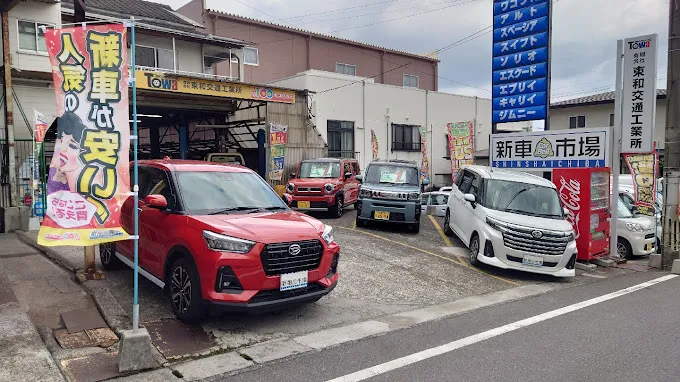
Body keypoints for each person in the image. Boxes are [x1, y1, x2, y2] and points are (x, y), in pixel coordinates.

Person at [47, 112, 87, 193]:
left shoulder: (85, 176)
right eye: (60, 141)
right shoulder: (54, 172)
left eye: (72, 146)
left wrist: (66, 182)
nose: (63, 149)